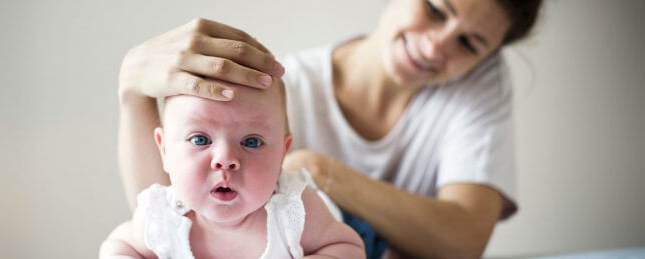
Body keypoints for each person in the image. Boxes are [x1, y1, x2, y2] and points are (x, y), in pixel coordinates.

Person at [115, 0, 543, 257]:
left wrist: (313, 170)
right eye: (434, 8)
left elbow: (462, 242)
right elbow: (162, 221)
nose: (435, 46)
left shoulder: (477, 85)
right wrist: (133, 93)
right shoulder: (268, 90)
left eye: (469, 43)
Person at [101, 82, 364, 258]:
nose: (225, 159)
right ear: (165, 151)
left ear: (282, 153)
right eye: (200, 140)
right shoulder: (161, 218)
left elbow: (348, 248)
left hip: (341, 217)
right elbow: (118, 247)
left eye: (251, 142)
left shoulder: (294, 211)